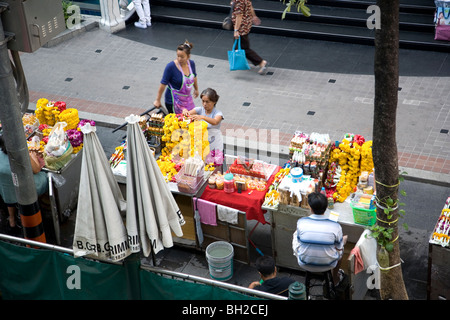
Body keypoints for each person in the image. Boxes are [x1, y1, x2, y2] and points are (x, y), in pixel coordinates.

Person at [293, 192, 348, 286]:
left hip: (304, 262)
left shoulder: (301, 222)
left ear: (310, 208)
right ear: (326, 208)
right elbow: (339, 249)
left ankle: (305, 254)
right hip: (329, 264)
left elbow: (298, 241)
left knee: (296, 234)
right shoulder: (335, 226)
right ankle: (335, 278)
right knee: (343, 241)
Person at [0, 134, 48, 235]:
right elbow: (36, 169)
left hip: (6, 190)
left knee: (9, 188)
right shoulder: (22, 155)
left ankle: (11, 219)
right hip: (25, 188)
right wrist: (33, 155)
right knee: (45, 177)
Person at [154, 40, 199, 114]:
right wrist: (157, 100)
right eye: (178, 56)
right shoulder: (171, 66)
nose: (179, 59)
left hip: (187, 99)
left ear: (188, 56)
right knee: (178, 122)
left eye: (182, 57)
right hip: (173, 101)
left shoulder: (191, 64)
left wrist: (196, 89)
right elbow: (163, 83)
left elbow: (194, 76)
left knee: (191, 118)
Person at [182, 88, 224, 158]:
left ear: (214, 102)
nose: (204, 104)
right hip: (202, 145)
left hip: (214, 144)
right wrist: (185, 111)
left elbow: (215, 121)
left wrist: (202, 117)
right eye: (203, 101)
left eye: (207, 102)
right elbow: (188, 114)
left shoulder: (218, 113)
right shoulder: (199, 109)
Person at [232, 0, 268, 75]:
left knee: (243, 48)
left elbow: (239, 15)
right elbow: (250, 7)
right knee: (239, 47)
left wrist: (236, 30)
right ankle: (247, 63)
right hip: (246, 25)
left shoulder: (239, 1)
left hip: (241, 28)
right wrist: (254, 16)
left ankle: (261, 62)